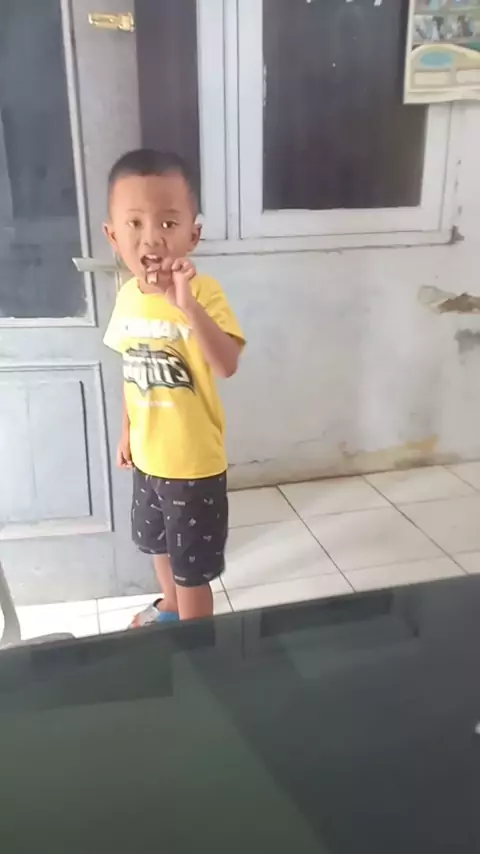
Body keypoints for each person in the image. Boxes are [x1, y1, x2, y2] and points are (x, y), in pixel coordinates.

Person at [103, 149, 245, 624]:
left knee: (192, 570)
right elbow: (131, 369)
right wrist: (126, 431)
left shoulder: (203, 294)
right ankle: (169, 607)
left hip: (193, 464)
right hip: (148, 458)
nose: (151, 238)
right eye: (135, 223)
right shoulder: (126, 296)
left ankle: (196, 641)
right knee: (157, 545)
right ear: (113, 236)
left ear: (192, 235)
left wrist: (185, 305)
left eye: (168, 223)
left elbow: (226, 365)